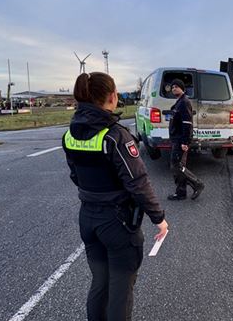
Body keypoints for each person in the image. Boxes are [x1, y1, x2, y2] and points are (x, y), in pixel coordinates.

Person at [62, 72, 168, 321]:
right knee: (121, 287)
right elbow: (138, 183)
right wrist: (158, 218)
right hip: (117, 223)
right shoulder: (115, 136)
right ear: (112, 97)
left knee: (100, 282)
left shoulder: (70, 134)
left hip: (87, 218)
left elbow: (75, 175)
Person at [167, 79, 205, 201]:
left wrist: (185, 142)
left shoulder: (184, 102)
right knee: (179, 165)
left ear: (182, 89)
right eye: (172, 87)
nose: (174, 88)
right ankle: (181, 192)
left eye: (176, 86)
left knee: (176, 166)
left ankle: (197, 184)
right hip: (176, 139)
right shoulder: (179, 102)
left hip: (180, 140)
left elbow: (187, 123)